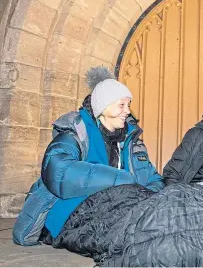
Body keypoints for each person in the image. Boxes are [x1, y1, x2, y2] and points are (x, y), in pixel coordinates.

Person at [13, 67, 164, 245]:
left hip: (122, 206)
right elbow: (58, 171)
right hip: (70, 211)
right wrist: (120, 180)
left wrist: (146, 198)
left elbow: (154, 179)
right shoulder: (77, 132)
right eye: (121, 105)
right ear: (103, 107)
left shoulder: (131, 140)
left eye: (128, 105)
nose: (127, 111)